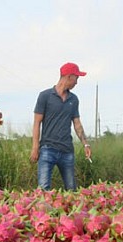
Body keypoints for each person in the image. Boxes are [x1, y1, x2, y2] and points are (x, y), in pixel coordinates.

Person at [30, 62, 92, 191]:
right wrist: (35, 147)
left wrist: (85, 144)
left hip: (67, 151)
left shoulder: (74, 99)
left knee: (71, 189)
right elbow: (37, 123)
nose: (77, 82)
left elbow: (77, 124)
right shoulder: (45, 96)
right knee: (43, 190)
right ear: (69, 76)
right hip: (47, 149)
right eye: (76, 78)